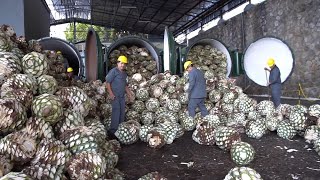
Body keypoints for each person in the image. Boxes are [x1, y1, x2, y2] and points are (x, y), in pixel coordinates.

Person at [106, 55, 133, 138]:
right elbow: (107, 82)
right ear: (117, 63)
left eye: (124, 64)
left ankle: (120, 129)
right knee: (116, 112)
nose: (122, 65)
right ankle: (113, 132)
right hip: (115, 96)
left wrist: (129, 94)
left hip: (121, 96)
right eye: (121, 63)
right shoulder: (113, 71)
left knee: (122, 112)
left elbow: (125, 85)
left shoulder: (124, 74)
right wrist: (111, 94)